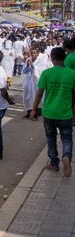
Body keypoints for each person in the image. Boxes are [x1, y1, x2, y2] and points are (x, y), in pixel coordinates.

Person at [30, 47, 75, 177]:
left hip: (49, 112)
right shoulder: (72, 74)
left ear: (52, 58)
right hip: (65, 113)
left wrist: (33, 110)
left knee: (51, 138)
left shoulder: (46, 73)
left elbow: (39, 93)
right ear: (64, 58)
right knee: (66, 138)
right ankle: (66, 156)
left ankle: (54, 163)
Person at [22, 46, 48, 118]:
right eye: (31, 53)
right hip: (28, 80)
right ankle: (28, 111)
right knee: (26, 96)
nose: (33, 54)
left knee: (35, 96)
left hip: (36, 81)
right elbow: (24, 71)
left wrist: (33, 65)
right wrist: (27, 65)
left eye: (34, 53)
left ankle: (35, 112)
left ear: (37, 54)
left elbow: (40, 71)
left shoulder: (41, 60)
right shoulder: (28, 59)